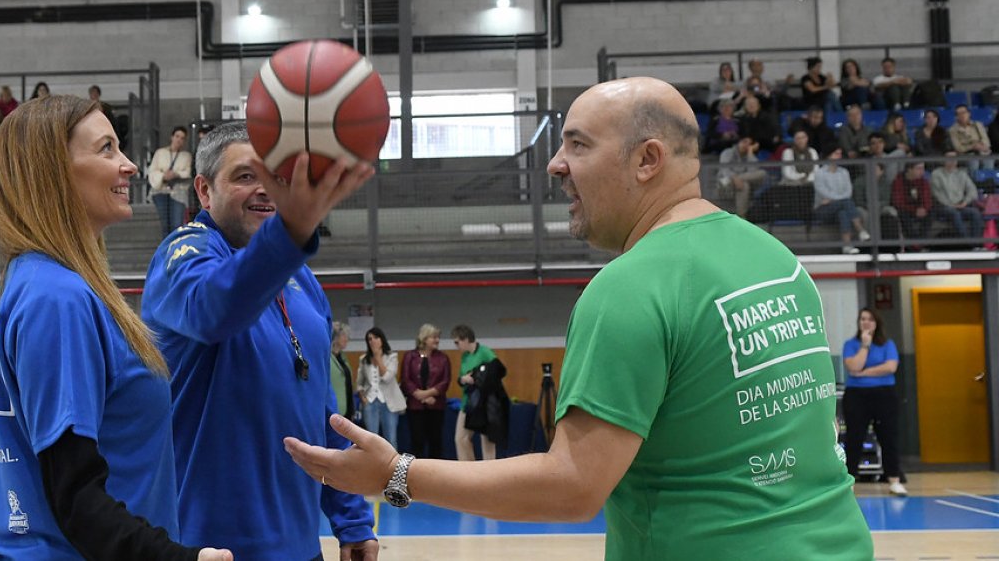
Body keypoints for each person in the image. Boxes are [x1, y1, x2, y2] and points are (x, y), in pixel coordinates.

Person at [285, 77, 873, 561]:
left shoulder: (630, 287)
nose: (556, 165)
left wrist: (395, 473)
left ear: (647, 160)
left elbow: (572, 487)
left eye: (578, 145)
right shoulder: (775, 258)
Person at [0, 94, 231, 561]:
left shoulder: (31, 282)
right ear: (52, 170)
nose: (130, 165)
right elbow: (75, 498)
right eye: (107, 149)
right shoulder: (57, 297)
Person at [140, 121, 377, 560]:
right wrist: (286, 239)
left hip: (301, 549)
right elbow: (214, 310)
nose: (266, 190)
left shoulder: (302, 280)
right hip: (206, 549)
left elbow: (321, 414)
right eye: (246, 176)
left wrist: (352, 519)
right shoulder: (182, 257)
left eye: (277, 177)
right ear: (204, 191)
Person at [841, 308, 906, 496]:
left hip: (884, 395)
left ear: (877, 323)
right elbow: (853, 366)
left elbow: (890, 367)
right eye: (862, 319)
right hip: (856, 396)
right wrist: (865, 346)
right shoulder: (851, 344)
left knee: (888, 438)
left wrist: (863, 373)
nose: (866, 322)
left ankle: (894, 480)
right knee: (854, 439)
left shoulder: (888, 344)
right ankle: (850, 482)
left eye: (869, 319)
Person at [400, 323, 451, 459]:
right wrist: (419, 395)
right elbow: (405, 380)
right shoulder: (410, 356)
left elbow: (445, 381)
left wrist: (428, 394)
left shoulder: (443, 358)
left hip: (436, 405)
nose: (437, 340)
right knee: (417, 441)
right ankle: (416, 474)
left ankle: (436, 475)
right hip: (415, 407)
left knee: (436, 442)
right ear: (424, 338)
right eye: (434, 337)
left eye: (438, 337)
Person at [452, 324, 499, 461]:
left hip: (485, 402)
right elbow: (461, 378)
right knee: (461, 438)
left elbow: (496, 371)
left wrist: (479, 378)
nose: (456, 346)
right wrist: (464, 379)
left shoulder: (485, 352)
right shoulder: (465, 357)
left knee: (487, 441)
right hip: (468, 402)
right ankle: (468, 470)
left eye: (457, 342)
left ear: (466, 339)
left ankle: (490, 473)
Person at [813, 148, 870, 254]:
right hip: (823, 209)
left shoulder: (844, 172)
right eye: (836, 154)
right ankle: (861, 230)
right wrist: (841, 199)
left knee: (843, 213)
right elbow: (822, 192)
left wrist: (833, 200)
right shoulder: (819, 173)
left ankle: (847, 246)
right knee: (846, 203)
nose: (839, 156)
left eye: (840, 154)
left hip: (837, 206)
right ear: (829, 156)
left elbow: (848, 191)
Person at [357, 326, 404, 449]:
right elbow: (359, 383)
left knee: (391, 439)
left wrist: (378, 357)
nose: (372, 341)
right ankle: (373, 467)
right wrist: (363, 398)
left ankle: (392, 467)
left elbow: (387, 377)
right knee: (371, 440)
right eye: (369, 339)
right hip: (370, 401)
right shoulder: (363, 359)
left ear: (382, 339)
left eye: (375, 337)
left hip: (388, 403)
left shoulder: (392, 357)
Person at [148, 126, 193, 238]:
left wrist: (176, 174)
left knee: (177, 225)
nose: (179, 140)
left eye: (182, 138)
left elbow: (187, 172)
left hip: (178, 192)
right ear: (172, 137)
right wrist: (163, 175)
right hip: (160, 191)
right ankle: (166, 252)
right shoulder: (160, 153)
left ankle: (175, 252)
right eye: (177, 136)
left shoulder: (186, 156)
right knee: (164, 225)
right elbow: (152, 171)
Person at [930, 153, 984, 242]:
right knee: (955, 214)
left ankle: (976, 242)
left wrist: (965, 202)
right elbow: (937, 195)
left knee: (975, 213)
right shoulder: (936, 174)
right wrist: (951, 205)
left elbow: (972, 190)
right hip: (943, 207)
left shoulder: (962, 173)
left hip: (960, 205)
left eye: (954, 159)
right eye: (949, 159)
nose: (952, 162)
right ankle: (967, 242)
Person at [717, 136, 766, 218]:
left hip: (742, 185)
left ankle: (741, 217)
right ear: (738, 142)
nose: (746, 145)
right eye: (744, 142)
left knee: (762, 173)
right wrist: (734, 177)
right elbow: (724, 169)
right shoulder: (728, 152)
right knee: (744, 184)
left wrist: (750, 153)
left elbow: (753, 172)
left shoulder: (750, 157)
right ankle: (742, 218)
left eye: (749, 144)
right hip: (726, 185)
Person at [891, 161, 931, 244]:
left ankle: (922, 242)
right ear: (909, 169)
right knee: (902, 214)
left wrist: (924, 208)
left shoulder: (923, 182)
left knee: (932, 212)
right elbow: (898, 202)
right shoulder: (898, 182)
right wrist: (913, 210)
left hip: (920, 210)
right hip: (906, 210)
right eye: (919, 169)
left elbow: (927, 199)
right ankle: (914, 243)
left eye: (923, 169)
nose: (922, 172)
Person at [948, 104, 993, 170]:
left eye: (964, 113)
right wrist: (973, 146)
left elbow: (986, 140)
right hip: (966, 154)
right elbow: (958, 148)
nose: (962, 115)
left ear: (969, 113)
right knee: (974, 162)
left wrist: (983, 146)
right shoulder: (953, 130)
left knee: (989, 160)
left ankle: (989, 179)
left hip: (982, 151)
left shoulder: (978, 125)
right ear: (956, 116)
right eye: (959, 114)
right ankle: (974, 180)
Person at [330, 321, 354, 419]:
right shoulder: (327, 357)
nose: (346, 339)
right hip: (334, 408)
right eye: (343, 335)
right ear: (335, 337)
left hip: (347, 406)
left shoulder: (343, 357)